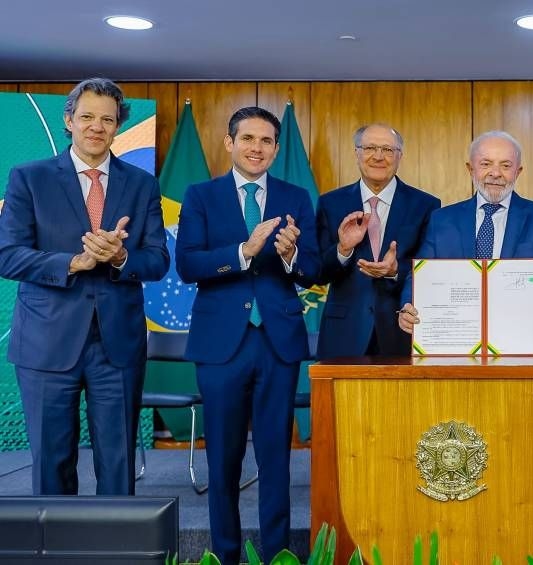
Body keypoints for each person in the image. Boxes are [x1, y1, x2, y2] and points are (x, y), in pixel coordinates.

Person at [0, 77, 168, 496]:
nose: (97, 126)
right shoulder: (29, 178)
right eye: (87, 116)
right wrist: (73, 262)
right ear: (68, 120)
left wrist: (121, 257)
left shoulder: (142, 184)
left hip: (118, 346)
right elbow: (7, 255)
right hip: (46, 343)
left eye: (107, 119)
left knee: (117, 465)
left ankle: (117, 539)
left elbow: (158, 260)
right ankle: (56, 539)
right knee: (51, 465)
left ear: (117, 126)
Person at [175, 106, 320, 564]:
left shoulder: (296, 197)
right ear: (229, 142)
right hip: (221, 345)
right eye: (248, 139)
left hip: (278, 343)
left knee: (276, 458)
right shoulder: (201, 195)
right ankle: (225, 554)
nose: (257, 148)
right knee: (223, 458)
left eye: (266, 141)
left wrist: (292, 255)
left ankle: (277, 555)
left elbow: (314, 268)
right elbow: (188, 265)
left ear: (276, 149)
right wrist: (244, 251)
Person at [397, 130, 533, 342]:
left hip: (522, 339)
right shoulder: (441, 220)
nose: (496, 173)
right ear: (470, 169)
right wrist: (407, 306)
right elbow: (420, 274)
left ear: (518, 172)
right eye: (486, 164)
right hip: (457, 339)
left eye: (506, 165)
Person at [314, 124, 440, 358]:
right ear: (357, 153)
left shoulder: (426, 205)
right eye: (370, 148)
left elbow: (430, 270)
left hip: (401, 331)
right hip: (343, 333)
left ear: (400, 156)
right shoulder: (331, 203)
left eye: (388, 150)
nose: (379, 156)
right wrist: (343, 249)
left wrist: (395, 271)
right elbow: (318, 272)